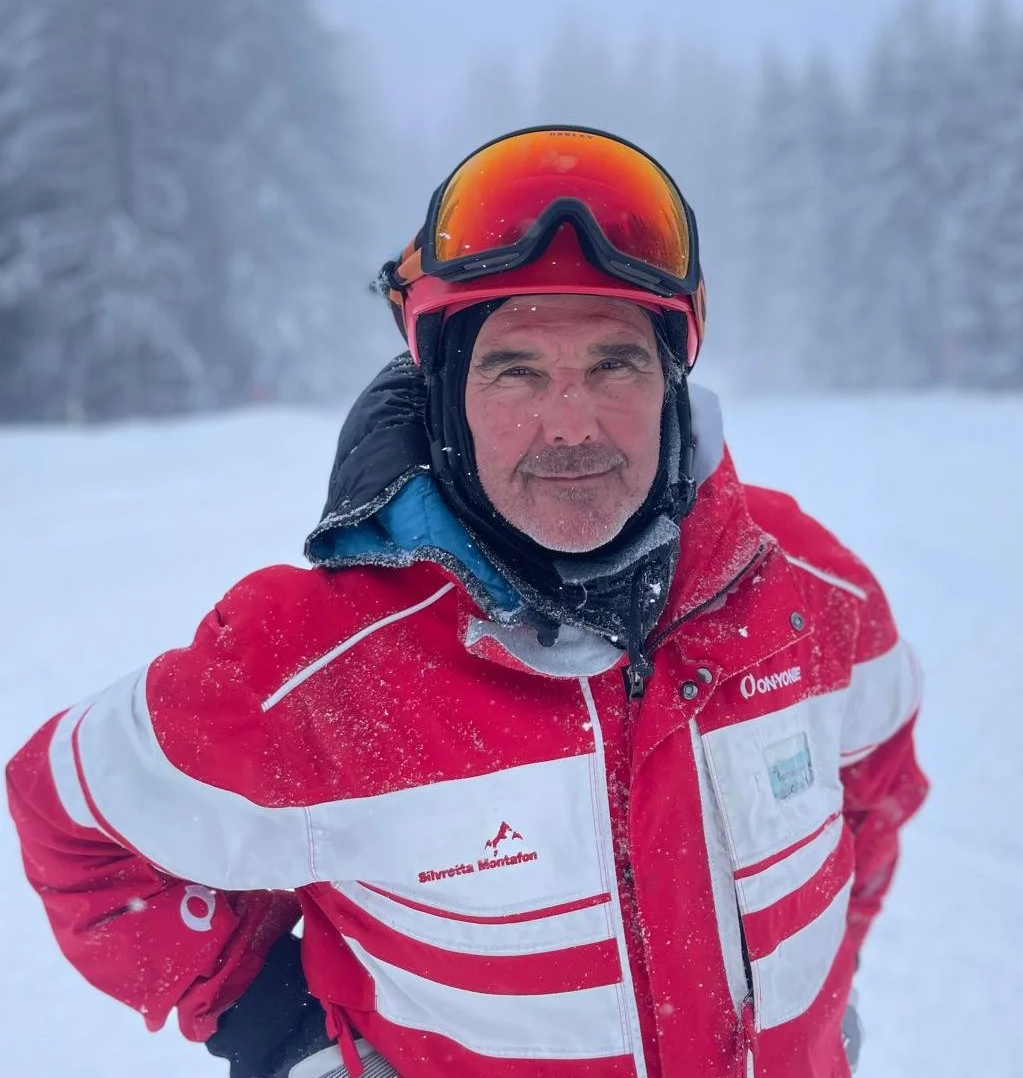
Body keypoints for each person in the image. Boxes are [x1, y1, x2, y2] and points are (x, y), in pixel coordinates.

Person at [5, 125, 928, 1078]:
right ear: (443, 392)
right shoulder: (316, 663)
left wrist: (814, 997)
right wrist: (276, 1029)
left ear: (671, 382)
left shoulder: (809, 589)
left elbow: (880, 782)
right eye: (515, 370)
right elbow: (68, 812)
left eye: (614, 364)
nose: (571, 426)